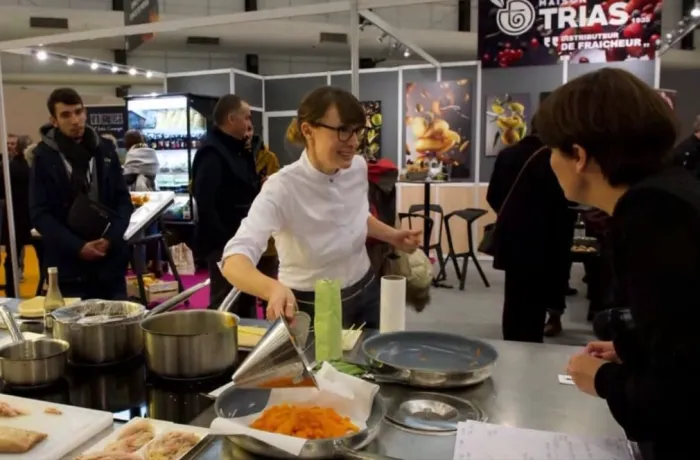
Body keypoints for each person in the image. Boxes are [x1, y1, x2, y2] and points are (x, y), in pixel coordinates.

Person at [536, 68, 697, 459]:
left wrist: (604, 380)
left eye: (552, 149)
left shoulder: (654, 218)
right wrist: (637, 349)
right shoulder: (671, 195)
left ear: (579, 156)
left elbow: (681, 391)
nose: (550, 161)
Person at [219, 87, 420, 328]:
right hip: (310, 303)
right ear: (308, 130)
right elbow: (233, 259)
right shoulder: (281, 187)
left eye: (357, 131)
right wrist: (271, 288)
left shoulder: (357, 167)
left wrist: (393, 236)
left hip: (366, 289)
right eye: (343, 130)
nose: (354, 142)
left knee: (375, 352)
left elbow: (355, 216)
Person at [29, 88, 133, 299]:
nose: (75, 120)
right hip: (68, 267)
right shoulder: (43, 157)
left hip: (110, 263)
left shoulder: (105, 149)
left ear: (85, 112)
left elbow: (123, 201)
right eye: (66, 115)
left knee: (119, 318)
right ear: (54, 121)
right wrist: (78, 247)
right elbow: (39, 213)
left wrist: (110, 239)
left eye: (78, 112)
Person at [486, 120, 574, 343]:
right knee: (539, 295)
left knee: (514, 295)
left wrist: (512, 216)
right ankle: (535, 337)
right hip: (548, 239)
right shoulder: (555, 158)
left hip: (514, 236)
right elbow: (566, 201)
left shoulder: (507, 154)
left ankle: (511, 339)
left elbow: (492, 195)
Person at [192, 94, 257, 313]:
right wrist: (225, 243)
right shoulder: (211, 153)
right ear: (231, 119)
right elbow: (206, 203)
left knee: (246, 299)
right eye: (246, 117)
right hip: (224, 244)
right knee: (226, 305)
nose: (249, 124)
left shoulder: (237, 149)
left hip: (243, 239)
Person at [1, 135, 32, 297]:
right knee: (44, 256)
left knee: (12, 256)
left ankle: (11, 292)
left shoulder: (10, 167)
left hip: (14, 217)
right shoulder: (32, 168)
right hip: (32, 217)